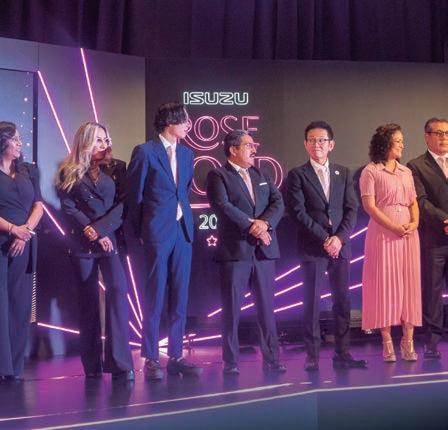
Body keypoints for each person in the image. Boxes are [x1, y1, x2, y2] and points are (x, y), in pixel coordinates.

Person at [127, 102, 202, 380]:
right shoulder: (145, 151)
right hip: (156, 232)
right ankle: (150, 357)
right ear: (170, 122)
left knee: (180, 295)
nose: (188, 126)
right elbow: (134, 197)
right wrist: (141, 232)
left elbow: (184, 190)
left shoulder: (187, 153)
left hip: (182, 231)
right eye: (184, 120)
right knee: (155, 294)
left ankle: (176, 355)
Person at [286, 120, 367, 371]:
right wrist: (325, 238)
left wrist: (339, 238)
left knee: (342, 301)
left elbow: (352, 209)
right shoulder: (297, 175)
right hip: (313, 247)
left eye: (321, 140)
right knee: (311, 303)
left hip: (340, 247)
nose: (317, 144)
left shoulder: (343, 173)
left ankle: (343, 354)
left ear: (331, 144)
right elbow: (298, 212)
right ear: (305, 144)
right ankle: (312, 356)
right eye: (312, 140)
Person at [57, 122, 134, 381]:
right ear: (86, 141)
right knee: (88, 301)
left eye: (106, 139)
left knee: (118, 291)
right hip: (82, 241)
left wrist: (101, 230)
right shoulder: (68, 169)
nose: (104, 144)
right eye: (98, 140)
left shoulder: (117, 167)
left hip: (110, 237)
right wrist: (90, 231)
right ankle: (92, 365)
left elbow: (123, 205)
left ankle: (120, 363)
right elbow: (68, 206)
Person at [206, 130, 286, 375]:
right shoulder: (218, 175)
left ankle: (272, 359)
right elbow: (223, 206)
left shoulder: (261, 174)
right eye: (248, 145)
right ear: (233, 149)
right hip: (235, 252)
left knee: (266, 309)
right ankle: (230, 361)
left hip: (264, 253)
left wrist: (265, 224)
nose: (254, 149)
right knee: (231, 310)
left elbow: (278, 202)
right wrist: (253, 227)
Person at [360, 124, 421, 362]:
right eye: (398, 141)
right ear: (386, 143)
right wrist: (393, 226)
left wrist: (414, 223)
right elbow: (370, 206)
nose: (402, 145)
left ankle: (408, 341)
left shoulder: (406, 172)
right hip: (383, 233)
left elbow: (413, 202)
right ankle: (387, 343)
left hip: (408, 235)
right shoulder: (371, 171)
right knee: (384, 285)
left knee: (409, 285)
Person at [0, 121, 43, 381]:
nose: (20, 143)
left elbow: (38, 205)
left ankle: (14, 369)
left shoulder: (29, 170)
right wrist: (12, 229)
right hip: (3, 240)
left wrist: (24, 231)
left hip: (24, 243)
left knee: (19, 305)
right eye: (14, 139)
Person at [407, 117, 448, 359]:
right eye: (439, 133)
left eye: (447, 133)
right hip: (433, 240)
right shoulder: (416, 166)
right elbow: (421, 202)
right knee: (432, 292)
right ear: (427, 136)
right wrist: (445, 221)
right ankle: (431, 342)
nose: (444, 137)